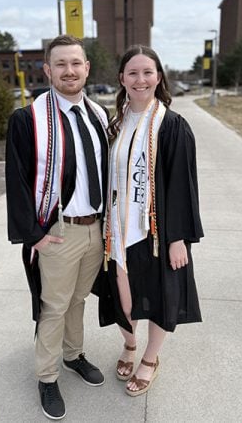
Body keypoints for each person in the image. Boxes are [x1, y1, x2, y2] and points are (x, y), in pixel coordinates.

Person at [5, 35, 109, 420]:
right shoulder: (28, 120)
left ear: (86, 68)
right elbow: (15, 183)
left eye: (76, 63)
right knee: (54, 306)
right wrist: (35, 235)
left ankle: (73, 355)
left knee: (78, 300)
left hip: (94, 229)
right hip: (57, 232)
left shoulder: (98, 115)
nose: (69, 71)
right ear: (48, 70)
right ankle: (47, 377)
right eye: (60, 64)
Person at [99, 45, 203, 397]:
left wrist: (178, 238)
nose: (140, 79)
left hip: (156, 232)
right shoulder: (114, 124)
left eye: (147, 72)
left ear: (158, 77)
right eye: (133, 73)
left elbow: (182, 185)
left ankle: (149, 359)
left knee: (159, 297)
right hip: (118, 230)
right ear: (122, 79)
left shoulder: (172, 126)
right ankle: (129, 344)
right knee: (124, 301)